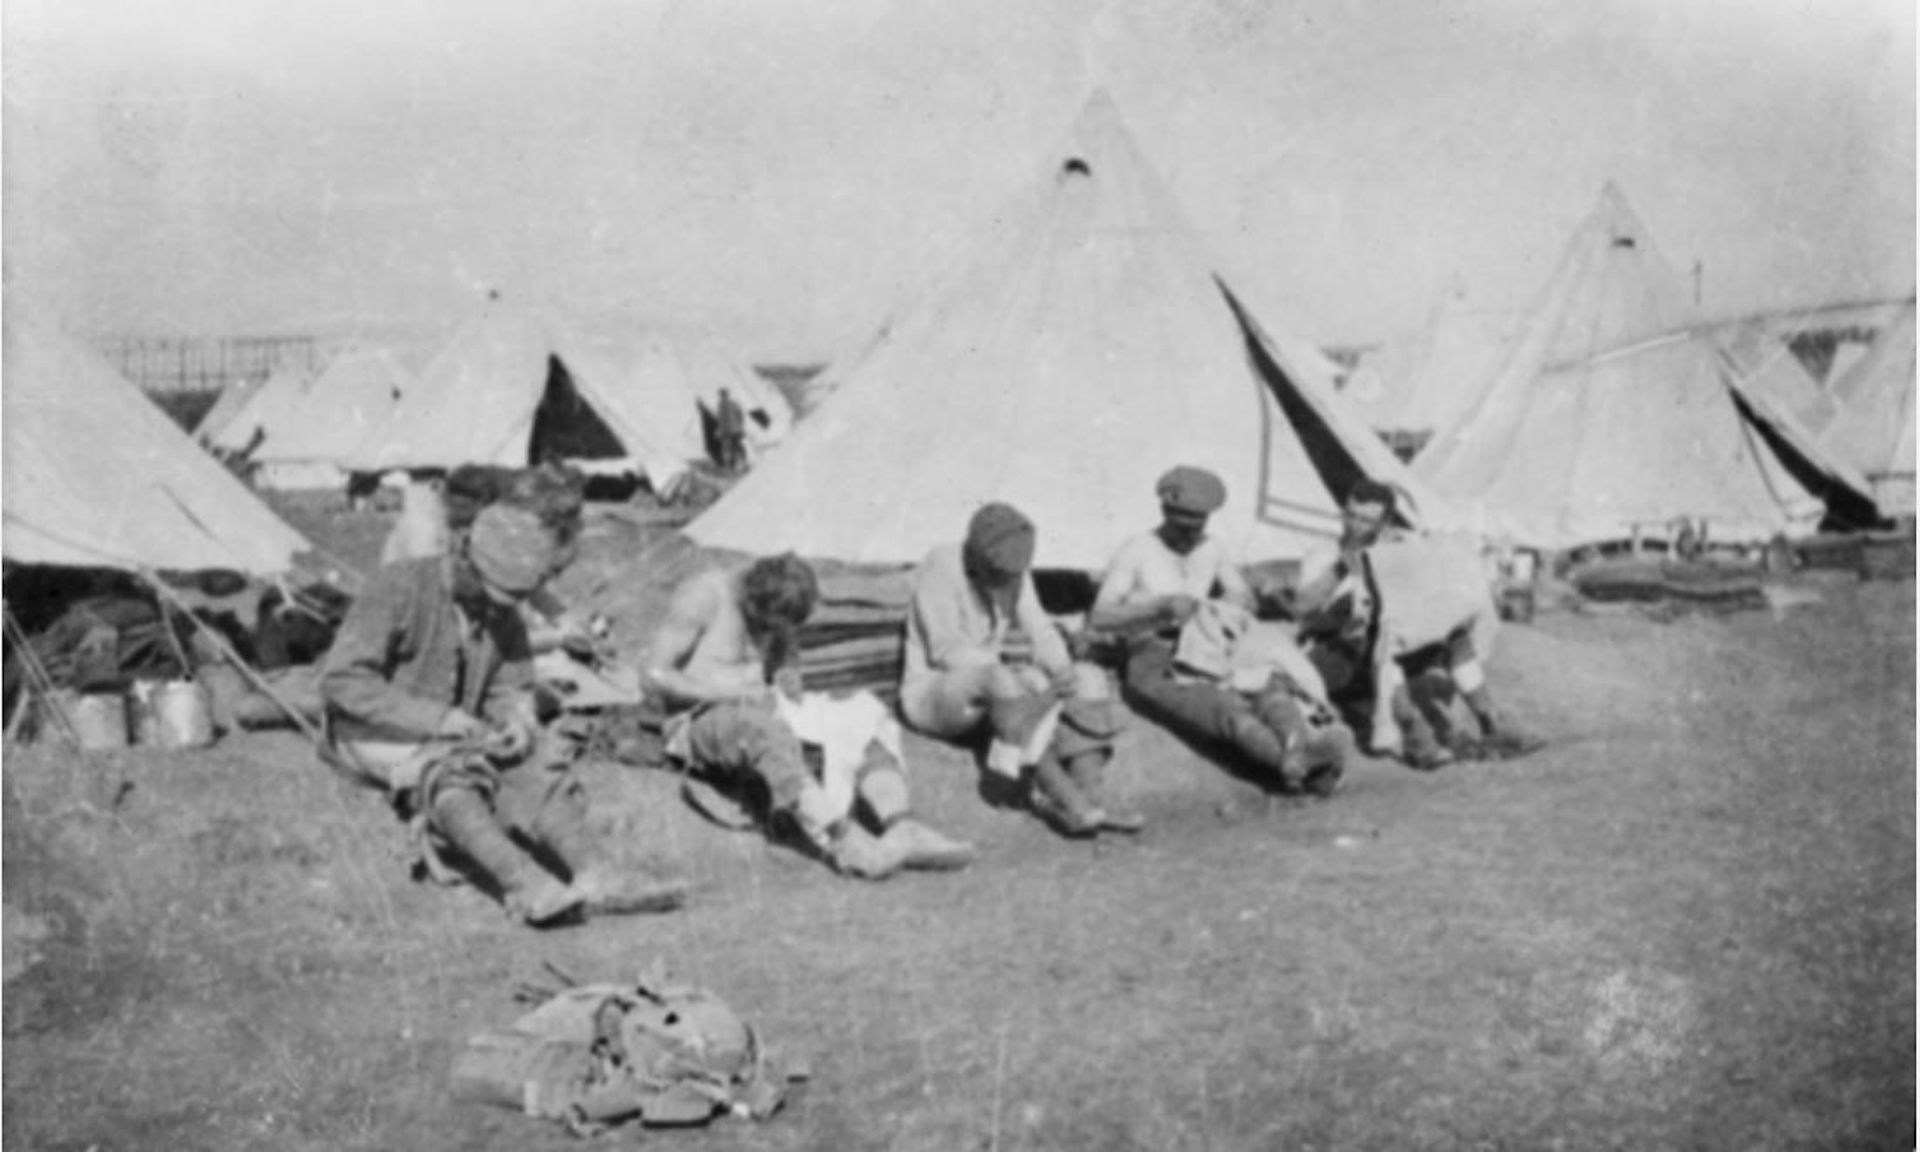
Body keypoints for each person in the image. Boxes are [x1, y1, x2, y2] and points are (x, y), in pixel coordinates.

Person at [321, 505, 687, 927]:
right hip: (373, 728)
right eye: (503, 597)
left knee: (531, 766)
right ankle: (523, 884)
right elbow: (343, 681)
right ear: (466, 564)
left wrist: (517, 719)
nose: (508, 609)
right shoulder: (397, 587)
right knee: (448, 771)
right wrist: (436, 720)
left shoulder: (502, 610)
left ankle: (597, 871)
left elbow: (511, 683)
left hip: (457, 726)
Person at [641, 552, 975, 879]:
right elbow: (653, 676)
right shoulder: (703, 597)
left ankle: (901, 825)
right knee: (759, 729)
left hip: (763, 703)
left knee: (860, 711)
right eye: (765, 626)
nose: (768, 634)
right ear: (750, 599)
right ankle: (844, 838)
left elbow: (786, 664)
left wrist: (788, 675)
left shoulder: (775, 605)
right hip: (700, 717)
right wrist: (728, 693)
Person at [1090, 466, 1350, 796]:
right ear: (1164, 511)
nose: (1187, 537)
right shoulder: (1138, 550)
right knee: (1225, 708)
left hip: (1210, 648)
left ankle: (1299, 752)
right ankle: (1294, 763)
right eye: (1179, 526)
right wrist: (1157, 608)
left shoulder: (1210, 547)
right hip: (1156, 659)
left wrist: (1227, 603)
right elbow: (1099, 618)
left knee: (1268, 685)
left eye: (1195, 527)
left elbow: (1244, 598)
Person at [901, 503, 1140, 836]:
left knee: (1089, 678)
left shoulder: (1015, 570)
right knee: (1009, 683)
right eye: (996, 576)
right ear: (976, 554)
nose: (1004, 583)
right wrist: (1014, 676)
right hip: (936, 693)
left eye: (1010, 577)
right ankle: (1068, 800)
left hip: (992, 689)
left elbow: (1039, 628)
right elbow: (945, 649)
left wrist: (1063, 669)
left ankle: (1091, 797)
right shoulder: (941, 565)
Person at [1293, 479, 1541, 767]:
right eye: (1351, 515)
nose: (1355, 526)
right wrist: (1340, 571)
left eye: (1366, 520)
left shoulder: (1401, 547)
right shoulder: (1324, 553)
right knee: (1380, 634)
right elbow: (1301, 610)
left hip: (1389, 645)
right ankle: (1416, 734)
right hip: (1337, 657)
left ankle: (1491, 723)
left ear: (1384, 522)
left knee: (1453, 636)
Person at [713, 389, 748, 474]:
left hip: (729, 431)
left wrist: (719, 431)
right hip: (734, 430)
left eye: (722, 395)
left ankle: (734, 466)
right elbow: (740, 415)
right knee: (735, 447)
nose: (722, 397)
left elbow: (721, 420)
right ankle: (741, 463)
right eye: (722, 395)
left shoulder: (721, 405)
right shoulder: (732, 404)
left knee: (731, 448)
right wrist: (740, 425)